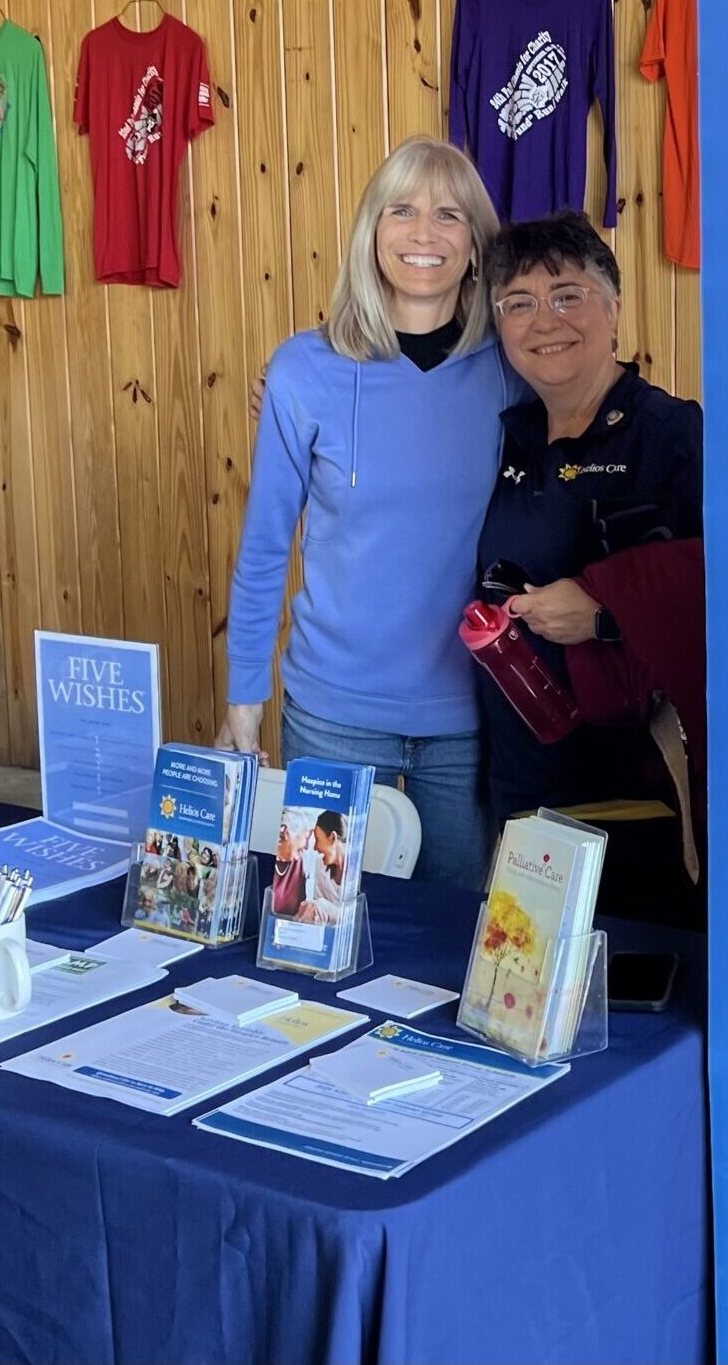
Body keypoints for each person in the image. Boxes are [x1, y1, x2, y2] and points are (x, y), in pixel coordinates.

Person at [218, 137, 518, 890]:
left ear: (478, 245)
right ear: (371, 233)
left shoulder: (518, 377)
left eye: (450, 215)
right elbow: (262, 550)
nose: (424, 233)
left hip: (470, 720)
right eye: (403, 211)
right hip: (331, 715)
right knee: (314, 929)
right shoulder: (303, 371)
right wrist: (243, 700)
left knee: (457, 959)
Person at [478, 211, 705, 921]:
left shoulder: (673, 434)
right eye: (518, 303)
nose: (544, 319)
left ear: (613, 307)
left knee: (640, 1014)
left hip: (639, 798)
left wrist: (607, 606)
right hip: (519, 792)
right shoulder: (503, 440)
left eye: (568, 294)